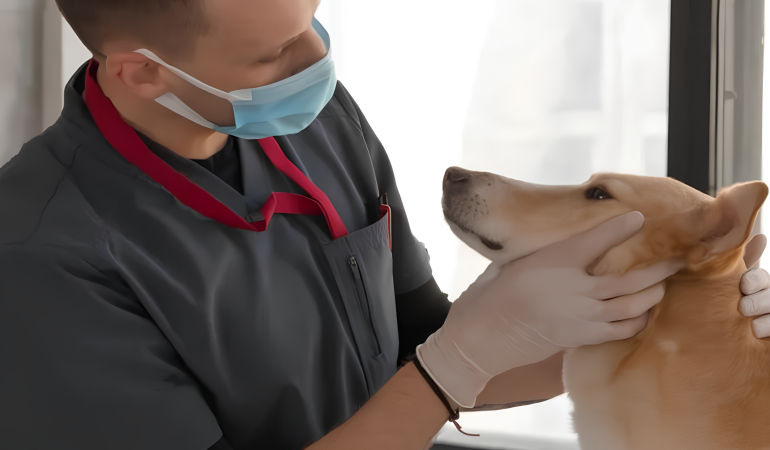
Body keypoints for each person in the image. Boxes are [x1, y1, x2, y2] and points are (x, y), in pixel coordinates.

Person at [1, 1, 768, 449]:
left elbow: (420, 349)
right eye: (275, 53)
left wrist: (685, 321)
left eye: (311, 20)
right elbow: (438, 371)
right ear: (142, 70)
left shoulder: (318, 122)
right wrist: (452, 366)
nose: (314, 62)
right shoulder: (42, 256)